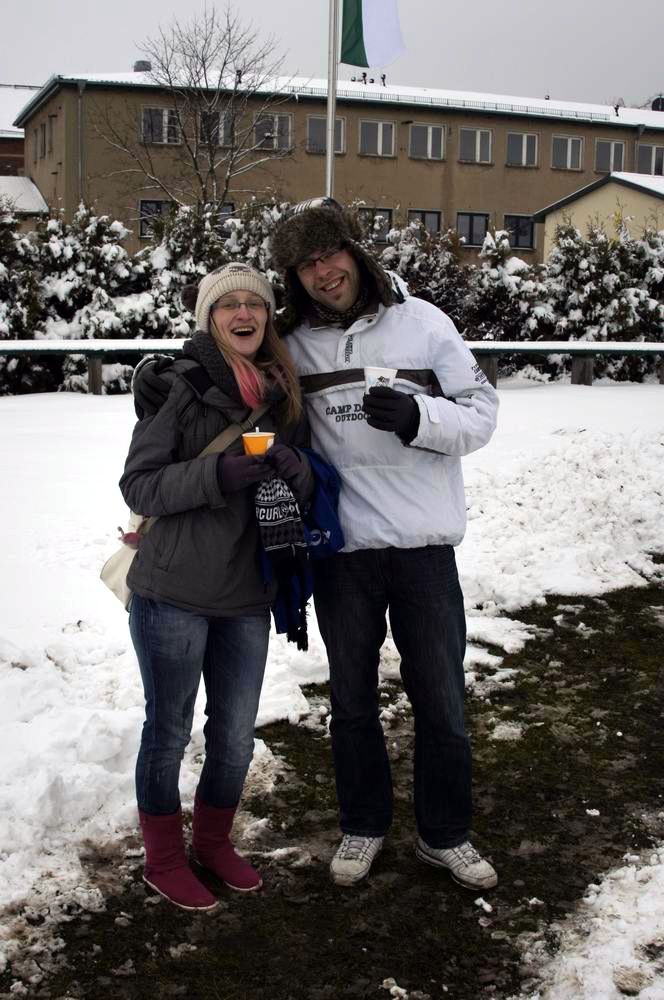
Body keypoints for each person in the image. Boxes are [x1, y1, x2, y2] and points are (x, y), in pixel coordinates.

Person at [267, 198, 500, 890]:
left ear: (355, 252)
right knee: (351, 703)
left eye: (330, 255)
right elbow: (236, 366)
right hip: (344, 554)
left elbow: (482, 413)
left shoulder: (423, 322)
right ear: (294, 277)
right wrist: (166, 380)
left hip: (424, 549)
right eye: (305, 266)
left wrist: (420, 416)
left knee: (441, 701)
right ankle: (363, 824)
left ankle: (444, 834)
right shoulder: (293, 343)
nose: (322, 272)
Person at [120, 262, 313, 911]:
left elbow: (309, 484)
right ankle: (164, 859)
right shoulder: (179, 384)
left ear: (267, 316)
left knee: (234, 735)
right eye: (228, 305)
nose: (243, 314)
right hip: (173, 591)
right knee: (169, 732)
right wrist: (217, 476)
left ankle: (212, 842)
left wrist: (293, 464)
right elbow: (139, 485)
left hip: (247, 593)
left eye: (254, 303)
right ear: (209, 318)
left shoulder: (284, 391)